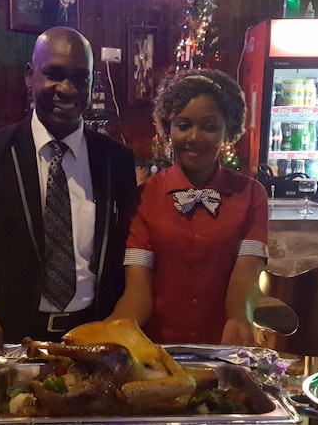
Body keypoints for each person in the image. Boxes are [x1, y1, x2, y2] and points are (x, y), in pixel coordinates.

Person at [0, 26, 137, 358]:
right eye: (54, 74)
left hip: (93, 344)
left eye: (80, 78)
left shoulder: (116, 160)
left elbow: (128, 256)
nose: (67, 89)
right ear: (29, 76)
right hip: (4, 344)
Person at [107, 68, 268, 346]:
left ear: (227, 130)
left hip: (223, 350)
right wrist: (110, 332)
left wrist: (239, 317)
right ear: (167, 128)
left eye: (209, 126)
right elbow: (138, 291)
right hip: (157, 352)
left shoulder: (251, 195)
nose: (194, 137)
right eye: (183, 125)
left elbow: (246, 275)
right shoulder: (144, 197)